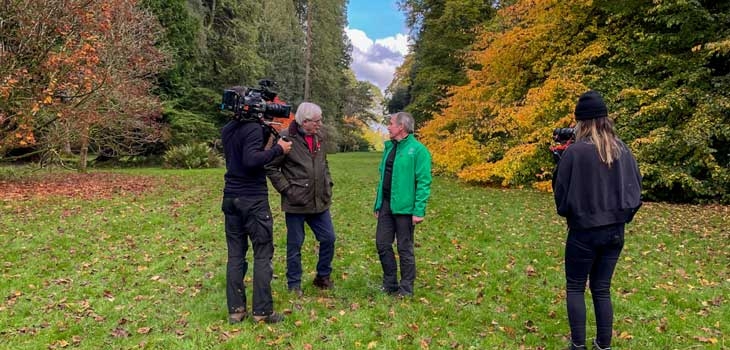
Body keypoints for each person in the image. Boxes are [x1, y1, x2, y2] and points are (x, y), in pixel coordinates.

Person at [553, 90, 642, 350]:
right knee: (602, 288)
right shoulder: (623, 150)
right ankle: (604, 345)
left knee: (576, 287)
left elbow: (561, 197)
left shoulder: (575, 153)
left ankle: (578, 345)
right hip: (615, 231)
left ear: (581, 122)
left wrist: (558, 163)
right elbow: (636, 191)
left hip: (584, 231)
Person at [220, 99, 292, 324]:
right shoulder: (252, 128)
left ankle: (236, 310)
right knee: (262, 254)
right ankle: (262, 311)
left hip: (231, 198)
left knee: (235, 255)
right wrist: (279, 149)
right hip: (252, 199)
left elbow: (242, 157)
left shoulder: (228, 129)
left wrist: (268, 140)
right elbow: (251, 160)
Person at [266, 102, 336, 295]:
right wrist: (287, 190)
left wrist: (328, 182)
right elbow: (271, 167)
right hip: (296, 202)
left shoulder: (320, 137)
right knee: (295, 244)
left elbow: (324, 162)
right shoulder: (285, 137)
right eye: (316, 121)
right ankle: (294, 284)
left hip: (319, 201)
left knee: (329, 239)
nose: (320, 124)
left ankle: (322, 277)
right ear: (304, 122)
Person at [373, 111, 432, 297]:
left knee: (404, 248)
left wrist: (419, 210)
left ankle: (406, 288)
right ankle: (390, 283)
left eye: (391, 123)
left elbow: (423, 181)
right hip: (386, 205)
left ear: (401, 127)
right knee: (382, 244)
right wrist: (378, 203)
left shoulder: (418, 150)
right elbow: (384, 178)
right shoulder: (390, 147)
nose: (388, 127)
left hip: (405, 208)